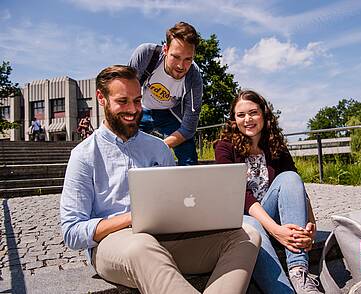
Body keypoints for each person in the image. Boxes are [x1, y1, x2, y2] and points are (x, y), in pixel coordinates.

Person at [60, 65, 261, 294]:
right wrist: (132, 218)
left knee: (247, 237)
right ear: (101, 98)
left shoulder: (159, 149)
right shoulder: (84, 155)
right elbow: (71, 231)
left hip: (167, 243)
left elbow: (178, 203)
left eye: (137, 101)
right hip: (115, 246)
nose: (133, 109)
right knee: (142, 246)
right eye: (123, 101)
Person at [214, 90, 320, 294]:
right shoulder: (224, 148)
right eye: (241, 115)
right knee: (252, 224)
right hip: (242, 221)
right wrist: (275, 230)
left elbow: (296, 187)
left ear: (264, 114)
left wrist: (310, 225)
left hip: (273, 215)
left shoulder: (275, 145)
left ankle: (300, 274)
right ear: (234, 120)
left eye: (253, 112)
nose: (248, 119)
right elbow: (240, 196)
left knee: (290, 177)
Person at [128, 21, 202, 166]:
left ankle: (189, 187)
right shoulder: (147, 54)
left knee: (189, 157)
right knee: (124, 144)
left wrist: (158, 148)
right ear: (165, 49)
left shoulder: (194, 77)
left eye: (188, 59)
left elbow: (188, 128)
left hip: (171, 114)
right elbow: (126, 90)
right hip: (143, 109)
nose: (181, 66)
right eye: (176, 57)